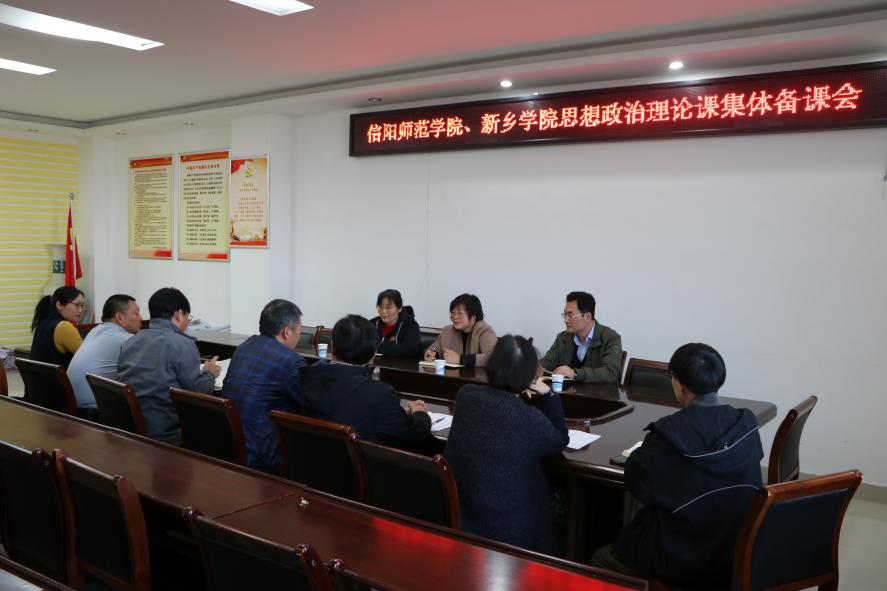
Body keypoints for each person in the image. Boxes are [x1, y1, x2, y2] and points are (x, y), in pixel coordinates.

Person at [591, 343, 764, 588]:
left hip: (680, 557)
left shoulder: (668, 434)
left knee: (600, 559)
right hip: (734, 551)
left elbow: (635, 482)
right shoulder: (746, 424)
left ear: (678, 384)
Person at [445, 335, 568, 554]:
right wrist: (548, 394)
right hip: (512, 533)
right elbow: (559, 438)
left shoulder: (466, 396)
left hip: (465, 519)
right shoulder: (528, 418)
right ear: (529, 375)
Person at [299, 314, 433, 450]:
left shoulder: (306, 377)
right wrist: (419, 413)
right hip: (360, 463)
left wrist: (398, 411)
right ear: (373, 354)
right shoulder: (379, 395)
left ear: (332, 346)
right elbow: (415, 434)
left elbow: (346, 410)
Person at [117, 287, 220, 445]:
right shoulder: (182, 343)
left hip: (130, 428)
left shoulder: (131, 341)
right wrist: (210, 373)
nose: (187, 322)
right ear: (178, 314)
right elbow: (199, 391)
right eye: (187, 316)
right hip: (167, 433)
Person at [221, 299, 307, 474]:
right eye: (300, 330)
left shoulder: (243, 347)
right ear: (286, 332)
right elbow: (306, 404)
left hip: (229, 445)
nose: (299, 335)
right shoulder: (291, 361)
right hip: (262, 456)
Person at [67, 294, 142, 417]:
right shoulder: (127, 339)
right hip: (96, 413)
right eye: (136, 313)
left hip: (73, 408)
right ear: (119, 317)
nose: (141, 318)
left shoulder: (95, 330)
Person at [540, 291, 622, 383]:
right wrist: (538, 367)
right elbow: (549, 360)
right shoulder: (563, 337)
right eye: (565, 314)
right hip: (566, 391)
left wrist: (575, 373)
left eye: (570, 315)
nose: (566, 320)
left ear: (587, 317)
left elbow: (610, 372)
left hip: (598, 391)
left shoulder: (610, 338)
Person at [423, 293, 496, 368]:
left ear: (473, 316)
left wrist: (460, 359)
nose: (455, 317)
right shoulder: (447, 331)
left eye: (460, 313)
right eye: (453, 313)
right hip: (451, 374)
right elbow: (435, 347)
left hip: (477, 375)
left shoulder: (485, 330)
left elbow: (493, 357)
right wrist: (432, 353)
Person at [30, 285, 85, 368]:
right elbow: (87, 357)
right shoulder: (64, 326)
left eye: (82, 306)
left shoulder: (43, 323)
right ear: (59, 305)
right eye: (76, 305)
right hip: (57, 376)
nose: (80, 310)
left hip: (41, 375)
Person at [369, 289, 422, 357]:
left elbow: (410, 349)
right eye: (381, 307)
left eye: (388, 307)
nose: (384, 311)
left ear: (399, 308)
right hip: (375, 363)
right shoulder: (371, 324)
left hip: (401, 364)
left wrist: (376, 346)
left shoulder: (411, 325)